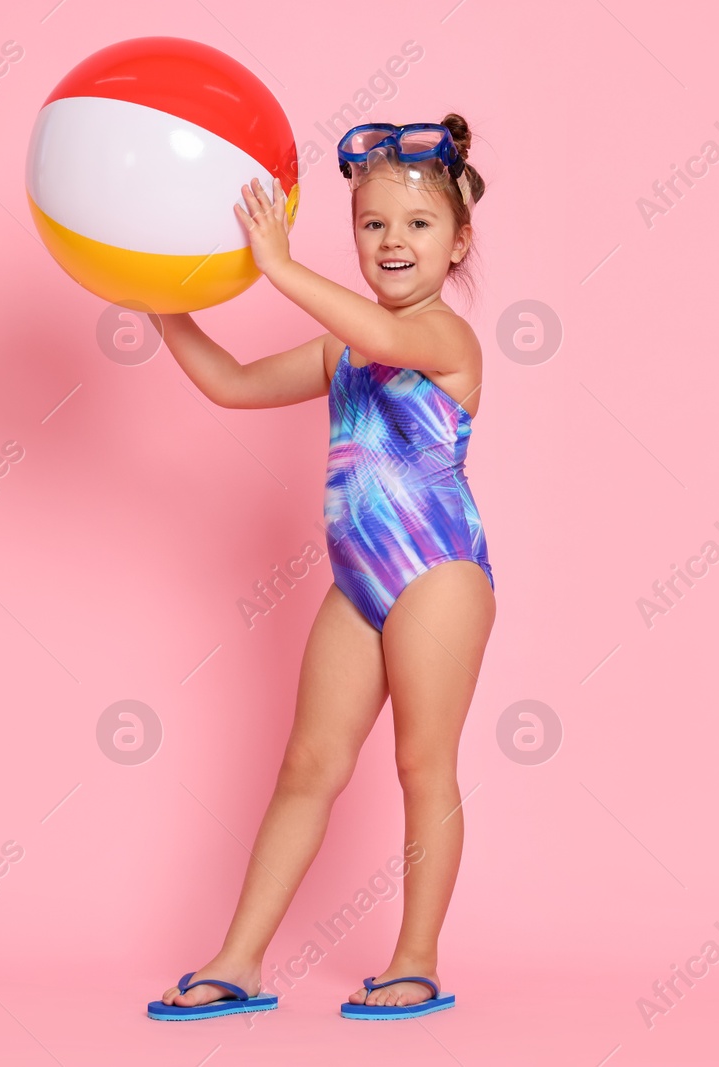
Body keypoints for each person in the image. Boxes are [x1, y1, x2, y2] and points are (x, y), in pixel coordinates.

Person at [148, 115, 496, 1021]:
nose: (392, 241)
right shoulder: (345, 351)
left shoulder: (447, 341)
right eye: (373, 223)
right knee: (307, 763)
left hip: (437, 573)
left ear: (459, 242)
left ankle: (416, 956)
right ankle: (240, 959)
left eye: (418, 226)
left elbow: (385, 342)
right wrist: (155, 296)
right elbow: (228, 381)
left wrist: (275, 265)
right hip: (359, 584)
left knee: (423, 764)